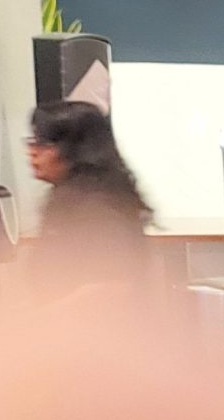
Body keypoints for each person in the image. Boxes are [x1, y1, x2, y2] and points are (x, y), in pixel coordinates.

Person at [26, 99, 153, 289]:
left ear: (75, 149)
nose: (32, 152)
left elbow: (110, 287)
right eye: (32, 142)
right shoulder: (65, 197)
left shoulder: (98, 207)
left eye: (43, 143)